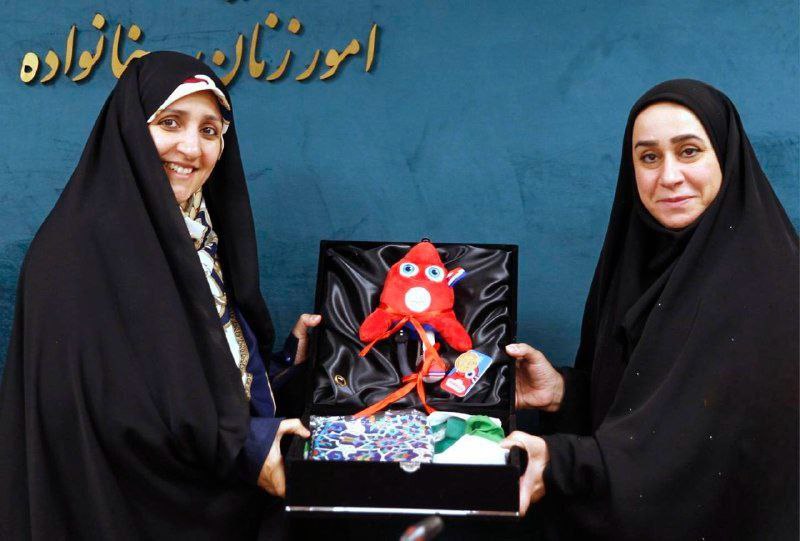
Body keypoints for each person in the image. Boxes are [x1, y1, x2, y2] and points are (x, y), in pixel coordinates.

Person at [0, 52, 319, 539]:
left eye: (209, 130)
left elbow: (187, 378)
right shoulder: (78, 251)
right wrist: (245, 446)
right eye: (170, 122)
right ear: (131, 130)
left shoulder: (195, 239)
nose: (191, 147)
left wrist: (281, 367)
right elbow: (99, 411)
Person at [500, 80, 798, 540]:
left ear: (726, 156)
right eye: (649, 157)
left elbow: (691, 459)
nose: (669, 176)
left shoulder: (768, 283)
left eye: (689, 151)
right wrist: (563, 393)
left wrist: (560, 463)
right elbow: (652, 404)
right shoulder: (637, 268)